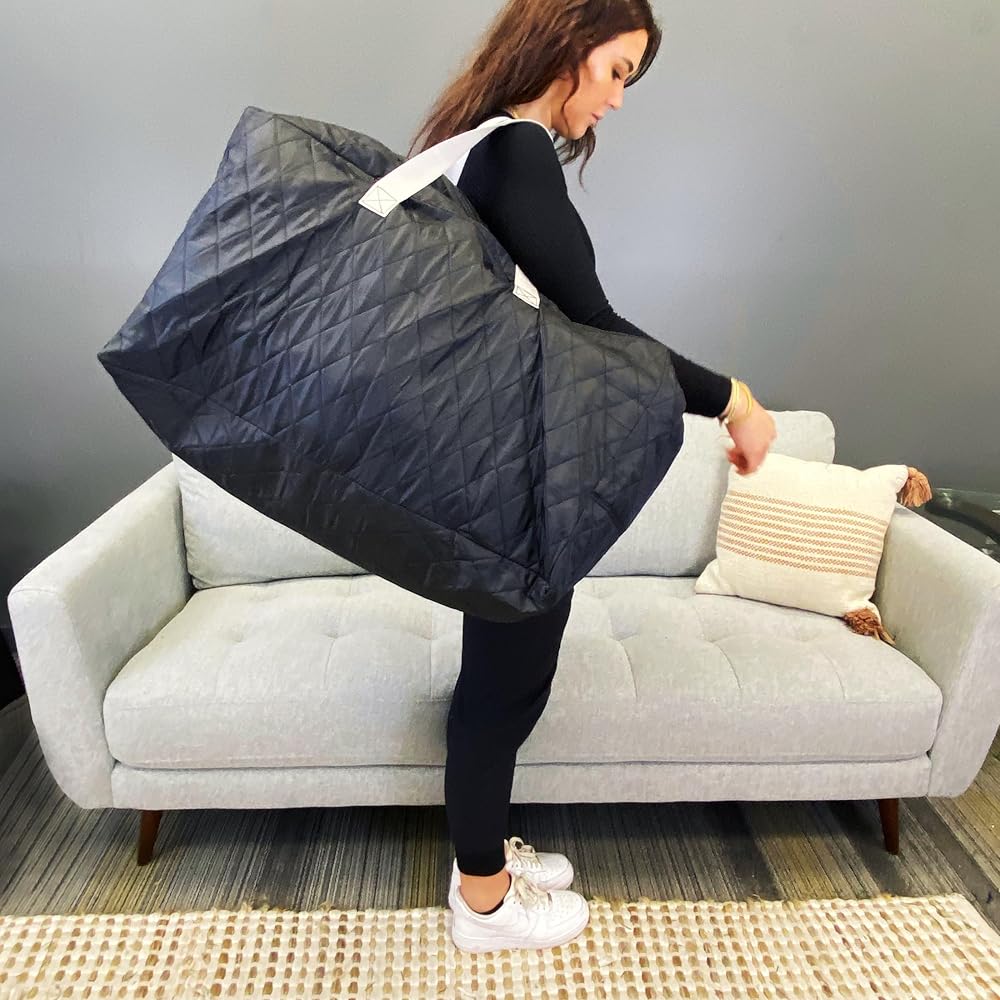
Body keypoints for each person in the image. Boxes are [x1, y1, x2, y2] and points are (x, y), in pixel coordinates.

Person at [407, 0, 777, 954]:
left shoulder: (480, 149)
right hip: (509, 482)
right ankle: (483, 904)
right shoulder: (514, 150)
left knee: (509, 679)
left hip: (499, 468)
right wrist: (733, 398)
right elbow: (595, 324)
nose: (617, 100)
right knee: (503, 687)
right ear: (566, 45)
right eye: (617, 71)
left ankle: (482, 856)